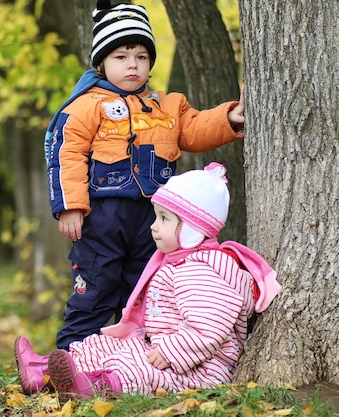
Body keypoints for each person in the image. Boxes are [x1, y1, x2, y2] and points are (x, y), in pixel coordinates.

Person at [45, 0, 246, 350]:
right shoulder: (86, 105)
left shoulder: (167, 106)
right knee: (96, 285)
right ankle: (70, 355)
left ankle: (132, 359)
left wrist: (228, 119)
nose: (132, 65)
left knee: (146, 287)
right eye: (121, 57)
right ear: (102, 62)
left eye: (140, 56)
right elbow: (67, 155)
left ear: (150, 62)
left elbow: (196, 129)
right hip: (101, 218)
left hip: (155, 219)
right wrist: (70, 207)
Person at [16, 163, 282, 398]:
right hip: (161, 347)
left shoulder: (203, 270)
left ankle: (94, 386)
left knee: (137, 369)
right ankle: (43, 372)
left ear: (191, 229)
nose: (153, 226)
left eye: (164, 219)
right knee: (103, 345)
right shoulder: (180, 261)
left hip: (196, 366)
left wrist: (170, 351)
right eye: (156, 216)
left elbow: (209, 328)